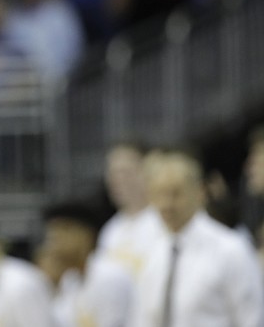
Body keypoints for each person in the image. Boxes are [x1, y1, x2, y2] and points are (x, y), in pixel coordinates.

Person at [130, 150, 264, 327]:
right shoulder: (152, 252)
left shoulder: (230, 249)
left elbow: (252, 319)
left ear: (199, 192)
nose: (166, 204)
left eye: (175, 193)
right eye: (159, 194)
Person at [40, 201, 133, 327]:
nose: (53, 243)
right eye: (51, 236)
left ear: (86, 235)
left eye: (62, 231)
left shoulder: (108, 277)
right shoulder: (70, 279)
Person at [97, 140, 166, 278]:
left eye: (125, 172)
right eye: (112, 173)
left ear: (147, 173)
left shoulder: (163, 222)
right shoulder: (110, 230)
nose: (117, 180)